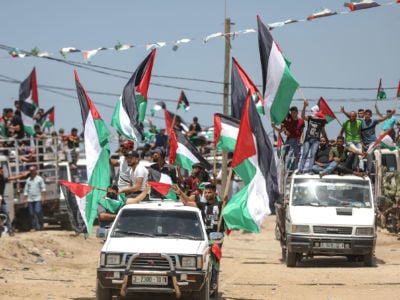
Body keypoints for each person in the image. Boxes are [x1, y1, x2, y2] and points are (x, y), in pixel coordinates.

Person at [173, 183, 223, 294]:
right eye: (205, 192)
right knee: (203, 262)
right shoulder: (202, 205)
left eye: (209, 192)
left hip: (216, 237)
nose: (207, 194)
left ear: (215, 193)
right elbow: (186, 202)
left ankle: (214, 283)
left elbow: (230, 210)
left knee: (214, 261)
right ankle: (205, 284)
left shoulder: (221, 205)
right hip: (204, 238)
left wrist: (227, 202)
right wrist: (180, 192)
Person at [297, 100, 327, 174]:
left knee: (313, 155)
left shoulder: (321, 121)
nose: (311, 112)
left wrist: (327, 139)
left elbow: (323, 131)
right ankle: (300, 170)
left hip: (316, 140)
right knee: (305, 153)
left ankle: (310, 170)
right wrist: (304, 106)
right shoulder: (310, 118)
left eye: (312, 111)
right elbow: (302, 116)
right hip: (307, 139)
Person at [0, 168, 29, 236]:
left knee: (6, 213)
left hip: (1, 199)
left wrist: (21, 176)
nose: (2, 172)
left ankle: (10, 230)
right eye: (1, 171)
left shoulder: (3, 179)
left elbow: (13, 178)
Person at [276, 106, 305, 172]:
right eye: (291, 113)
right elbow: (282, 131)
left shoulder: (301, 121)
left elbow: (302, 132)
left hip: (297, 139)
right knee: (285, 154)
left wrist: (301, 139)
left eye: (294, 113)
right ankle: (286, 168)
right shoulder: (288, 121)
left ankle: (294, 168)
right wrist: (274, 126)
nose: (293, 114)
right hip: (290, 140)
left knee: (297, 154)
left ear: (297, 113)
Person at [23, 166, 46, 231]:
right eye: (30, 171)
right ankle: (33, 227)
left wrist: (43, 197)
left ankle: (41, 223)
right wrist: (25, 199)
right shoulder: (28, 180)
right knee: (31, 213)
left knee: (38, 211)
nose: (31, 172)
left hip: (38, 198)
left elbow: (43, 189)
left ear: (35, 171)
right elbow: (26, 191)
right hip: (30, 199)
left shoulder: (39, 179)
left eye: (33, 170)